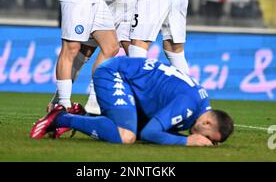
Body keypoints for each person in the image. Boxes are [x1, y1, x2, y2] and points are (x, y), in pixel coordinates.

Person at [30, 56, 234, 146]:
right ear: (207, 123)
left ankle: (82, 115)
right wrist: (186, 141)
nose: (208, 143)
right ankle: (60, 118)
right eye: (212, 139)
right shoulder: (189, 105)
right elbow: (151, 132)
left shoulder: (200, 105)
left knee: (133, 132)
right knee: (126, 137)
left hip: (131, 83)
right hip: (115, 73)